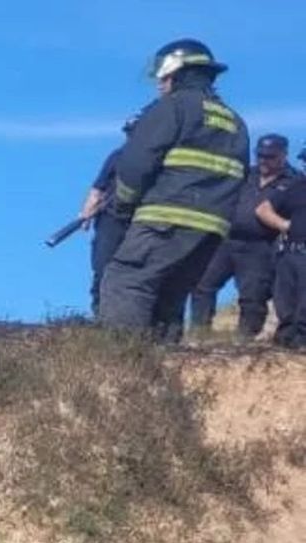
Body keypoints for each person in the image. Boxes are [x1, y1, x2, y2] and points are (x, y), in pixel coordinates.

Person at [97, 39, 250, 343]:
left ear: (178, 73)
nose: (159, 84)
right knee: (169, 297)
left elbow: (135, 164)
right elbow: (241, 176)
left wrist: (124, 207)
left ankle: (121, 367)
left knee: (125, 281)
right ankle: (163, 371)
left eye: (163, 76)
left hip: (164, 218)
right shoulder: (235, 122)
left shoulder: (173, 107)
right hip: (210, 231)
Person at [189, 134, 296, 340]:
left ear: (283, 155)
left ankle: (244, 340)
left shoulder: (294, 181)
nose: (264, 160)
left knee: (252, 296)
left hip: (260, 246)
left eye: (270, 156)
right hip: (226, 241)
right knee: (203, 284)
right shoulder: (245, 174)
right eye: (260, 155)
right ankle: (198, 334)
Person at [81, 117, 138, 314]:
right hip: (111, 220)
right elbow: (98, 188)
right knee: (102, 268)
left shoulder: (155, 161)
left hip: (139, 222)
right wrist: (87, 213)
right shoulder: (117, 156)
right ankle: (100, 315)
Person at [258, 168, 306, 347]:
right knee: (284, 303)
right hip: (290, 253)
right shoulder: (296, 188)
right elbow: (263, 210)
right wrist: (285, 225)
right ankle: (285, 343)